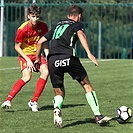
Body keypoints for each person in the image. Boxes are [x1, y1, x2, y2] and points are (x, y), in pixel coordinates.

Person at [34, 5, 111, 127]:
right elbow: (80, 35)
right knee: (86, 84)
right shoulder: (77, 25)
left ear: (68, 15)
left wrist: (38, 58)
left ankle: (57, 108)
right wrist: (89, 53)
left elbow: (40, 42)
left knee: (59, 93)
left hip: (53, 60)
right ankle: (97, 115)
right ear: (79, 16)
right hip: (68, 57)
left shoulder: (57, 26)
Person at [1, 3, 49, 112]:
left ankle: (34, 102)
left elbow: (44, 42)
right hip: (25, 55)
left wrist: (48, 55)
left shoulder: (43, 26)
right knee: (27, 77)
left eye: (37, 16)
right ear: (28, 16)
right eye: (33, 16)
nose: (35, 19)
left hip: (37, 55)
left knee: (45, 72)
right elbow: (17, 47)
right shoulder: (22, 29)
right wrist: (27, 60)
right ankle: (8, 100)